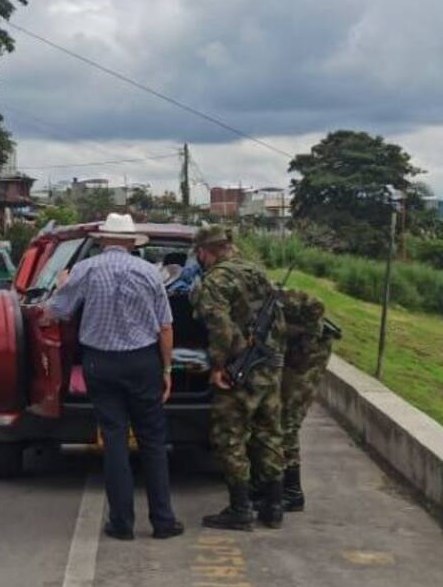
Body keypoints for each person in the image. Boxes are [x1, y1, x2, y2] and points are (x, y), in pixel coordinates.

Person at [48, 212, 183, 541]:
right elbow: (165, 327)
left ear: (104, 240)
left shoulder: (86, 269)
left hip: (101, 364)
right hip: (143, 363)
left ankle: (121, 523)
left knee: (114, 440)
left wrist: (62, 285)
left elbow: (57, 311)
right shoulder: (149, 273)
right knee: (153, 441)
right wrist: (166, 369)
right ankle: (163, 521)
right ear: (131, 242)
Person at [191, 225, 287, 530]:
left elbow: (220, 327)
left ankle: (240, 508)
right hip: (269, 366)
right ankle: (273, 506)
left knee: (230, 436)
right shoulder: (257, 272)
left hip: (240, 368)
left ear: (204, 252)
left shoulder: (215, 280)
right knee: (269, 434)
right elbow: (279, 321)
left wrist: (218, 366)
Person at [272, 289, 338, 511]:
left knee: (288, 422)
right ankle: (277, 486)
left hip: (311, 354)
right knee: (279, 417)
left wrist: (308, 337)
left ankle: (292, 493)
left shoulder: (280, 297)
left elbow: (316, 304)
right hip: (296, 352)